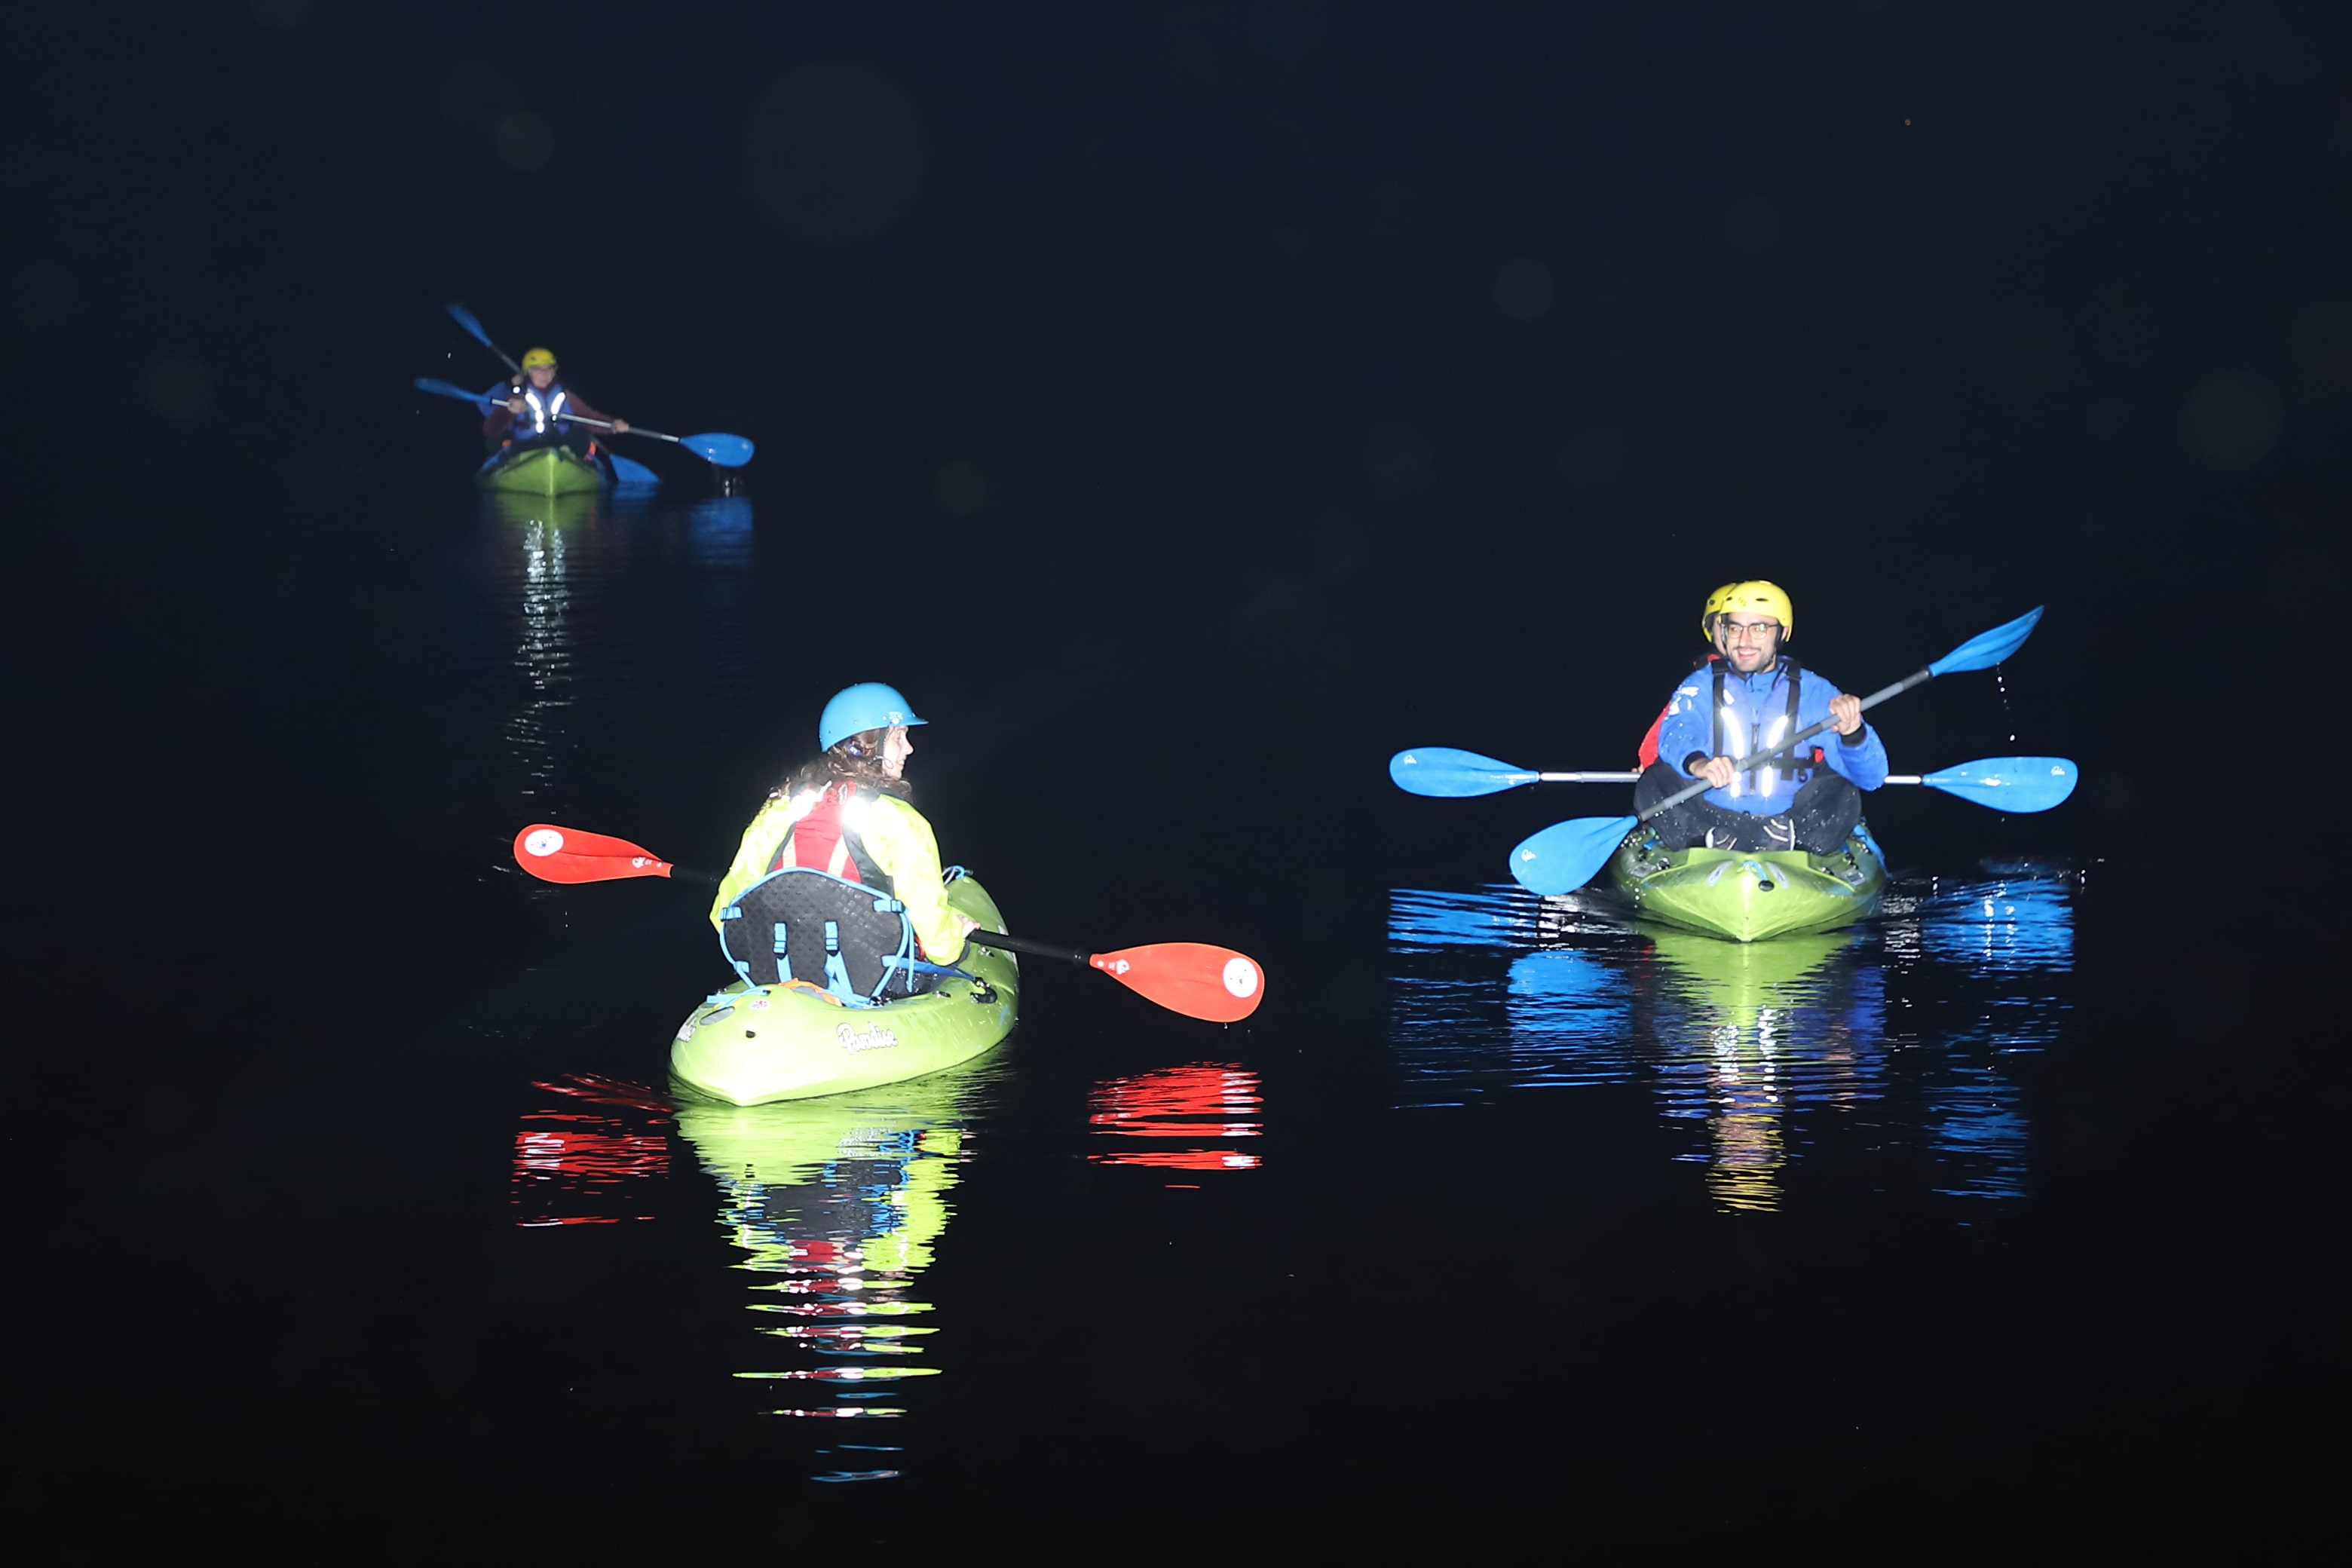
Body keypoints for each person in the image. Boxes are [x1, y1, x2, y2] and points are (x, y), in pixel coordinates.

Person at [709, 682, 976, 969]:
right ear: (868, 745)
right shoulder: (899, 819)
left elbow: (724, 913)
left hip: (782, 967)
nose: (909, 748)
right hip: (871, 976)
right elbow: (936, 937)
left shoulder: (781, 807)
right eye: (899, 737)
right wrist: (954, 937)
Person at [1631, 580, 1888, 853]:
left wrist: (1853, 733)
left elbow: (1872, 778)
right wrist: (1698, 764)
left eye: (1759, 628)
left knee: (1842, 788)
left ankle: (1789, 841)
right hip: (1712, 816)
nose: (1744, 641)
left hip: (1789, 821)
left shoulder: (1814, 691)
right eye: (1735, 628)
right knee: (1655, 780)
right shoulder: (1701, 684)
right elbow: (1679, 730)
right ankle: (1708, 838)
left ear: (1783, 632)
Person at [481, 346, 630, 465]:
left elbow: (589, 418)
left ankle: (568, 460)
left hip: (559, 445)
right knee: (497, 440)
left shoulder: (566, 396)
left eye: (549, 369)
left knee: (581, 434)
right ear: (528, 372)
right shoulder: (516, 396)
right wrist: (507, 411)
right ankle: (511, 464)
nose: (545, 374)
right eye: (539, 370)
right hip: (525, 448)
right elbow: (490, 429)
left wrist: (613, 425)